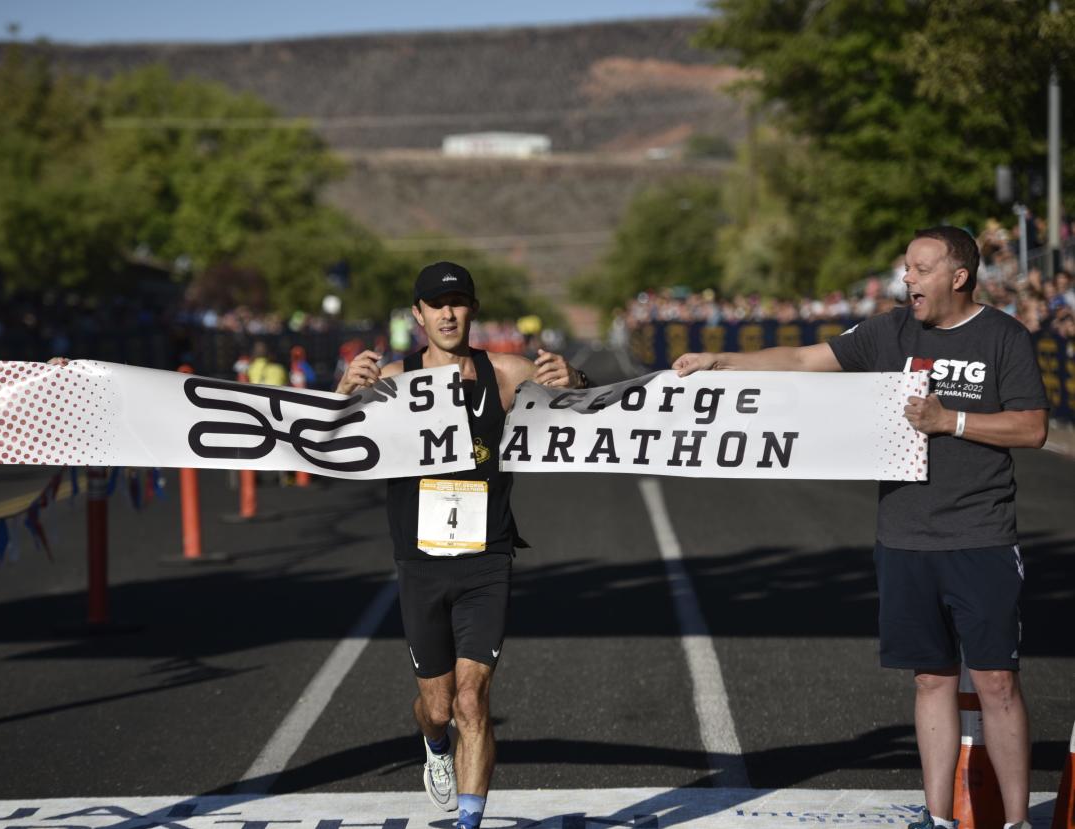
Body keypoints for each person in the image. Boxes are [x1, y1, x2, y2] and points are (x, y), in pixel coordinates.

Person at [674, 226, 1048, 829]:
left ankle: (1016, 821)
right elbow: (802, 359)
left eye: (921, 270)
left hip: (980, 534)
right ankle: (937, 817)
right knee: (931, 679)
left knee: (997, 683)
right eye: (906, 268)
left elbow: (1032, 428)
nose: (908, 279)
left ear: (958, 276)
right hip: (903, 537)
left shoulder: (1004, 336)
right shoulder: (889, 330)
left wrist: (949, 420)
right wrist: (722, 362)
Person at [336, 262, 587, 829]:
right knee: (440, 706)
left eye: (458, 302)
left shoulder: (504, 372)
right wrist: (343, 392)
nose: (448, 313)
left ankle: (468, 822)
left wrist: (574, 378)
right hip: (420, 561)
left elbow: (594, 399)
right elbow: (331, 439)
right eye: (436, 304)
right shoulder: (390, 381)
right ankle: (433, 743)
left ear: (471, 310)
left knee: (473, 701)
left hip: (486, 556)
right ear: (418, 315)